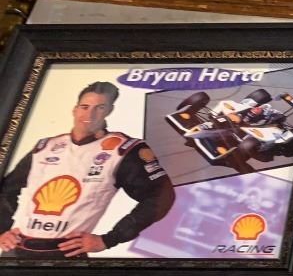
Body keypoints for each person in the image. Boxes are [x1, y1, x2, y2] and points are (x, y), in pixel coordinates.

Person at [0, 82, 176, 258]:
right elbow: (6, 189)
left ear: (110, 110)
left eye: (100, 107)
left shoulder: (123, 149)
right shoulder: (46, 146)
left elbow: (162, 195)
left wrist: (110, 239)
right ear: (75, 109)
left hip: (67, 254)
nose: (90, 114)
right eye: (85, 107)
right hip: (16, 249)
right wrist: (2, 230)